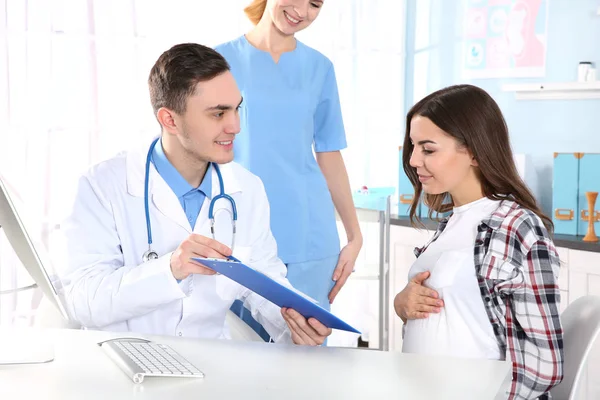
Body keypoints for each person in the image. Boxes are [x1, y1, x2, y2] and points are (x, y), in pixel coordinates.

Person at [58, 43, 331, 346]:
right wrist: (170, 268)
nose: (236, 126)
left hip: (210, 366)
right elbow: (83, 301)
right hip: (123, 366)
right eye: (218, 114)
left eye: (236, 108)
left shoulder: (246, 189)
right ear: (169, 120)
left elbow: (263, 281)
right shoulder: (103, 185)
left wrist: (294, 322)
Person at [393, 84, 563, 399]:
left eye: (428, 149)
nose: (414, 160)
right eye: (413, 147)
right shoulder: (450, 225)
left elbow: (545, 364)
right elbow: (458, 319)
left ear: (473, 151)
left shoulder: (517, 227)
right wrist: (402, 306)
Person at [215, 0, 362, 341]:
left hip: (309, 236)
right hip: (240, 235)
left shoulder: (320, 68)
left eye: (315, 4)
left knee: (306, 358)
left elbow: (329, 153)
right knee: (241, 362)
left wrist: (354, 236)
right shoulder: (218, 61)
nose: (302, 10)